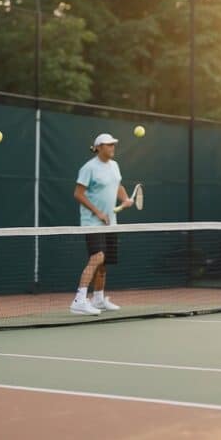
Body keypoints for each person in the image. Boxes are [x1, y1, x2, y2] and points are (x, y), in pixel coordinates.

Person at [70, 133, 133, 315]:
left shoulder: (114, 166)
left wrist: (125, 198)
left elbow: (118, 186)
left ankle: (98, 299)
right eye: (108, 145)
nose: (112, 147)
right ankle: (79, 300)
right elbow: (78, 193)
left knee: (104, 264)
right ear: (98, 147)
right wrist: (97, 212)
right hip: (92, 222)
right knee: (97, 257)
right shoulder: (89, 168)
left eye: (113, 144)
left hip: (111, 223)